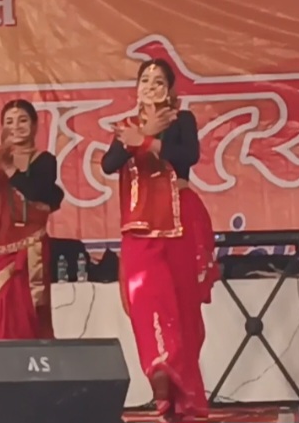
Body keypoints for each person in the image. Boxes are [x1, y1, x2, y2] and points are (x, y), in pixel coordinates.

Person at [101, 59, 217, 422]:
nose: (150, 86)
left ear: (170, 89)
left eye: (158, 81)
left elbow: (188, 157)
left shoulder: (182, 121)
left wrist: (149, 141)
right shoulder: (126, 127)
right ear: (136, 88)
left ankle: (183, 400)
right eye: (145, 80)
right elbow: (109, 164)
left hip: (180, 224)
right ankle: (160, 374)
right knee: (146, 302)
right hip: (139, 231)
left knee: (183, 311)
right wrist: (137, 136)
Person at [0, 99, 64, 340]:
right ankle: (1, 362)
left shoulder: (44, 160)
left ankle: (29, 360)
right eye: (9, 121)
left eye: (22, 120)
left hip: (26, 251)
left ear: (35, 125)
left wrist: (8, 168)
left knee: (25, 314)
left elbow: (36, 191)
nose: (16, 126)